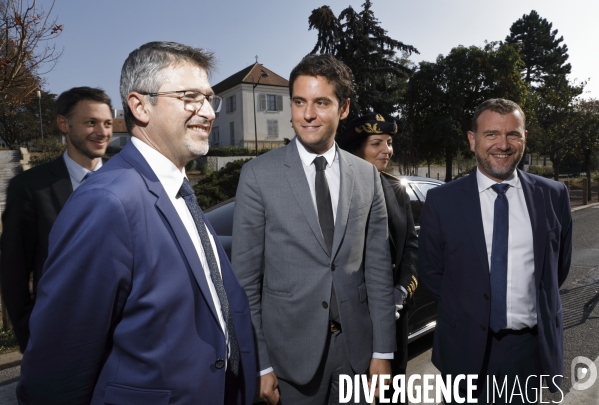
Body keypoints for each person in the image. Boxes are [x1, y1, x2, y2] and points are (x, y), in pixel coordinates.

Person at [17, 41, 256, 405]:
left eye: (209, 98)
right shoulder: (108, 202)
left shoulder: (177, 190)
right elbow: (57, 370)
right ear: (140, 106)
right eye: (191, 97)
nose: (208, 112)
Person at [232, 54, 396, 405]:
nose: (307, 115)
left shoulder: (367, 176)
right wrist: (259, 365)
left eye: (321, 103)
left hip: (357, 356)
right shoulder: (258, 175)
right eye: (299, 102)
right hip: (289, 362)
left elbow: (379, 273)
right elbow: (245, 282)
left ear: (344, 107)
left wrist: (383, 351)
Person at [418, 98, 572, 404]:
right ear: (473, 140)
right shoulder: (441, 201)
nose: (502, 144)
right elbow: (431, 272)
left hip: (527, 352)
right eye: (491, 134)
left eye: (513, 134)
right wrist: (469, 310)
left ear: (524, 138)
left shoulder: (553, 195)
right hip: (464, 347)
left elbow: (557, 268)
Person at [0, 86, 113, 352]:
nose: (102, 132)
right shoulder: (29, 187)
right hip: (60, 341)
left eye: (107, 123)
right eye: (91, 122)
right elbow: (13, 273)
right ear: (64, 124)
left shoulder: (131, 181)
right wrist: (31, 339)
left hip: (126, 341)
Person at [337, 112, 418, 387]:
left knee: (393, 392)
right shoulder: (336, 191)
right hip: (352, 320)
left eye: (389, 142)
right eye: (376, 143)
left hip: (393, 318)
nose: (387, 151)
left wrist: (402, 289)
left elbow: (410, 245)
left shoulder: (396, 189)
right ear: (356, 149)